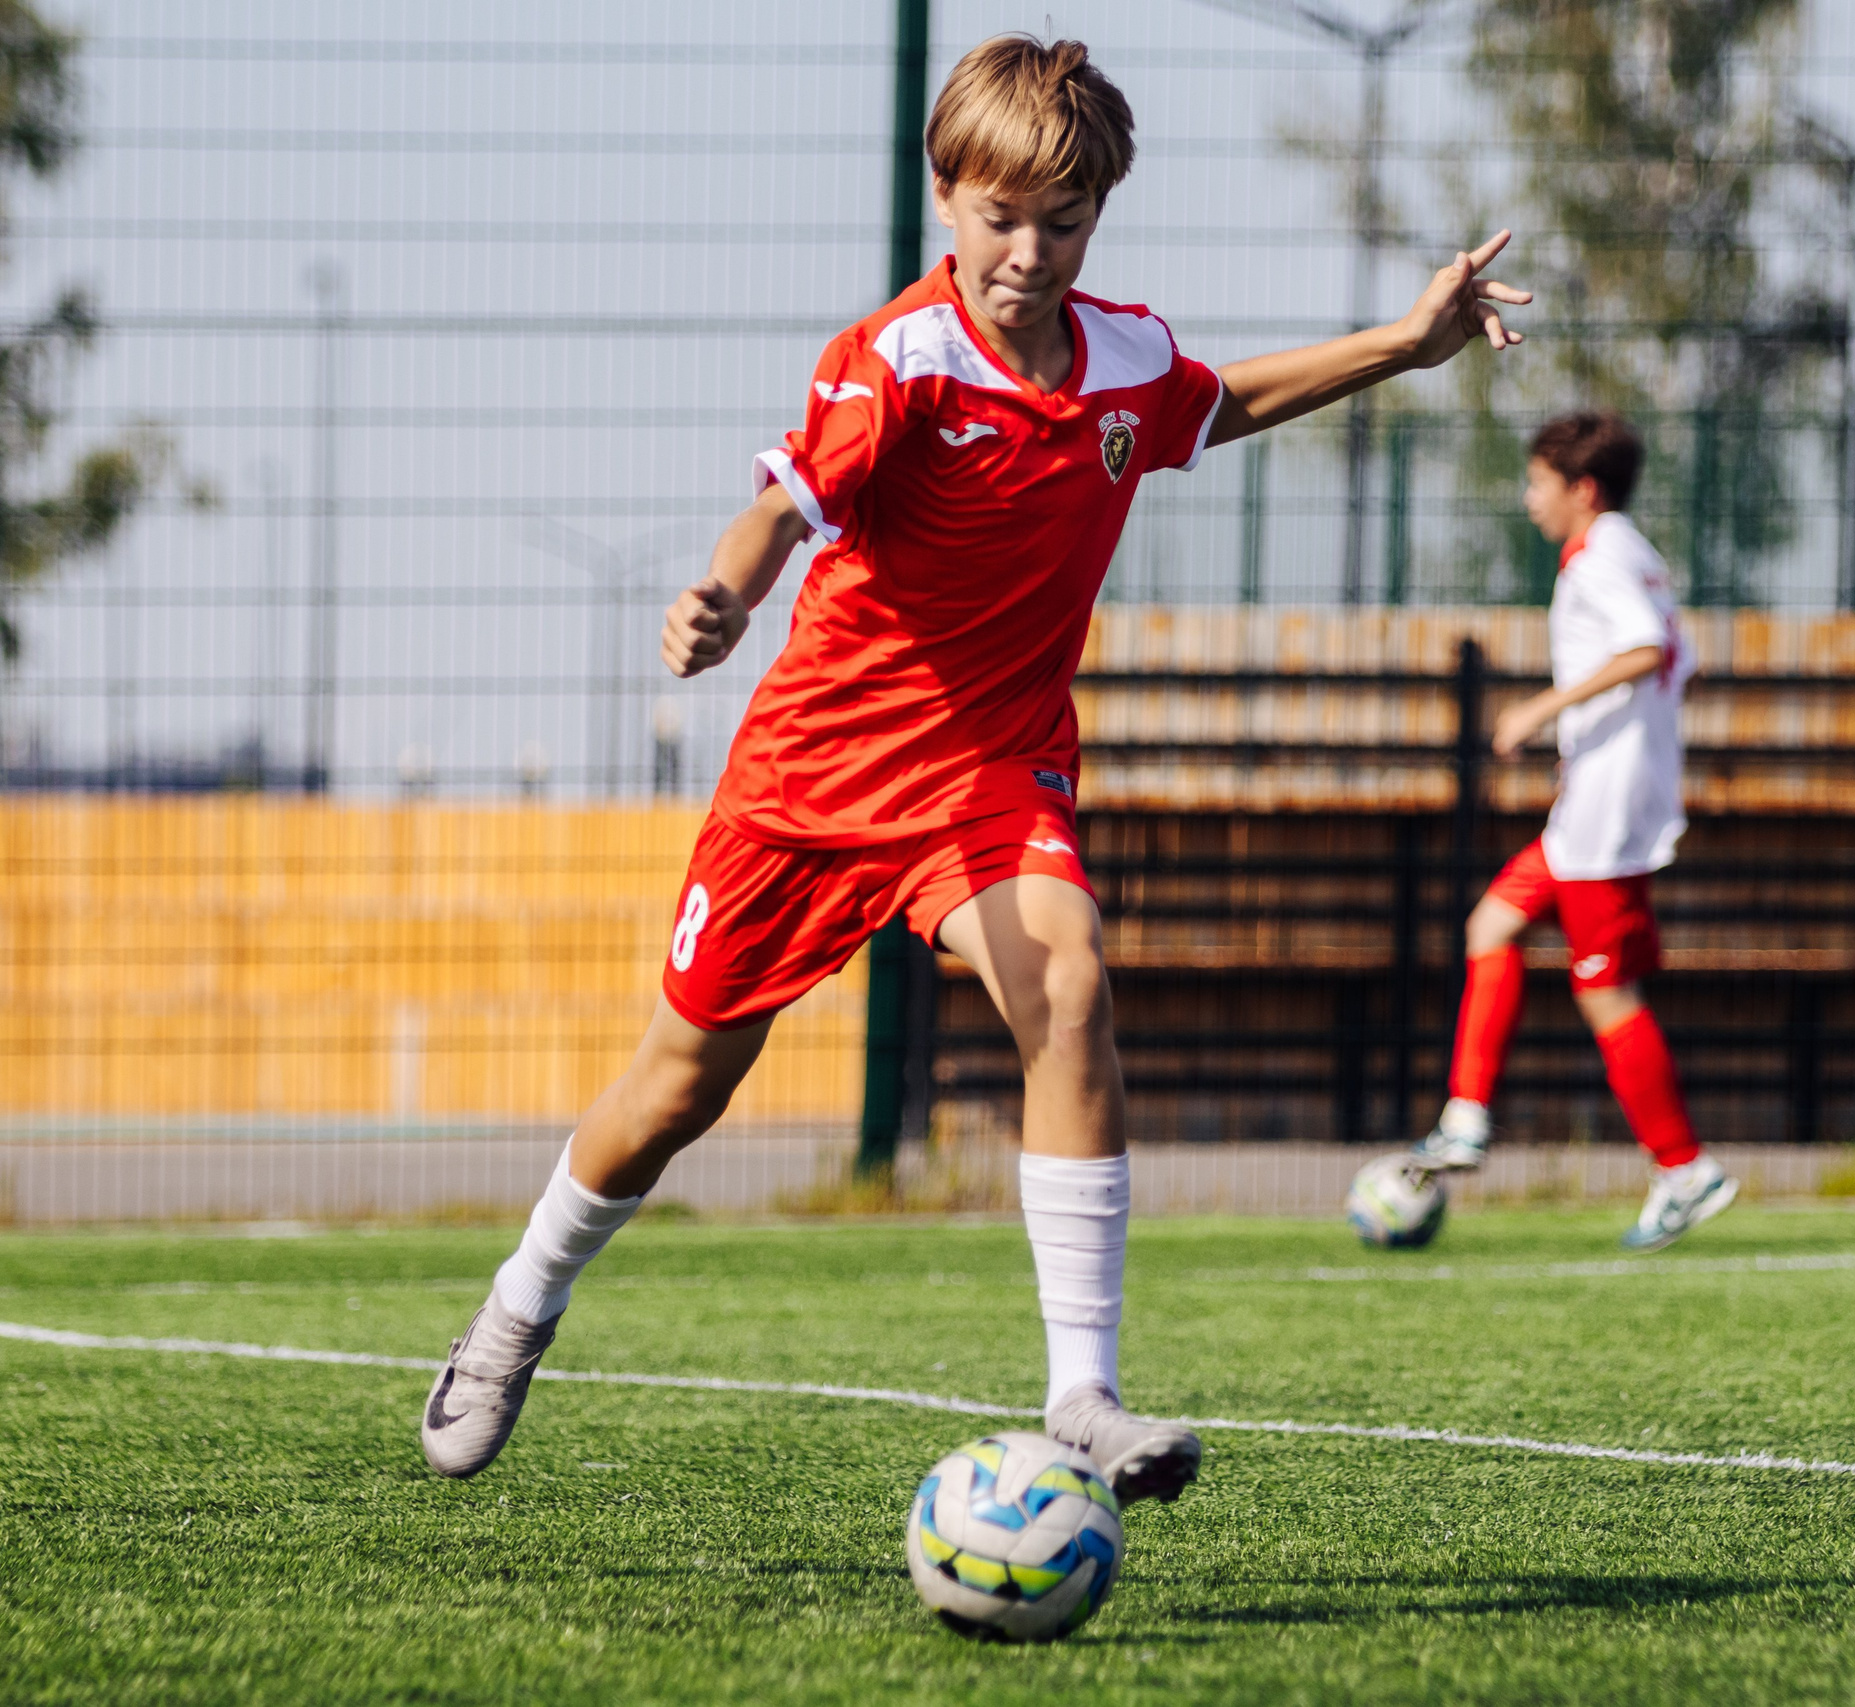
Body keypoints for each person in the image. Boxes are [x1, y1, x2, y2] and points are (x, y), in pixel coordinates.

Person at [418, 35, 1532, 1501]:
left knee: (1067, 979)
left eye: (1061, 222)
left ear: (1096, 216)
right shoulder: (899, 360)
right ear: (945, 196)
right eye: (1000, 217)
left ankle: (1082, 1392)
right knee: (677, 1087)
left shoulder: (1124, 357)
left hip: (990, 776)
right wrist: (722, 597)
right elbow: (781, 508)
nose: (1027, 252)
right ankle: (518, 1306)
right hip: (811, 785)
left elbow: (1221, 404)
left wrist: (1403, 342)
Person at [1406, 411, 1733, 1252]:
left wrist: (1541, 711)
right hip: (1602, 797)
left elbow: (1646, 649)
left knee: (1605, 992)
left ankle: (1683, 1168)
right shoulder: (1635, 551)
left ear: (1581, 489)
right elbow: (1681, 663)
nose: (1529, 499)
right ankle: (1466, 1115)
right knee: (1492, 924)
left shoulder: (1599, 558)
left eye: (1537, 483)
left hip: (1606, 814)